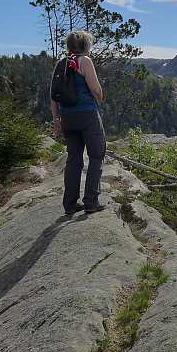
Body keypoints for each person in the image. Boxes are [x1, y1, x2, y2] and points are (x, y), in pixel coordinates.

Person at [51, 30, 106, 215]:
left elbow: (53, 96)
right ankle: (91, 201)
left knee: (74, 159)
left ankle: (70, 204)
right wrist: (96, 106)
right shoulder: (84, 61)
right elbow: (96, 90)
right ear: (86, 46)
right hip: (87, 115)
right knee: (96, 156)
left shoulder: (61, 64)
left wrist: (57, 119)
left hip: (67, 117)